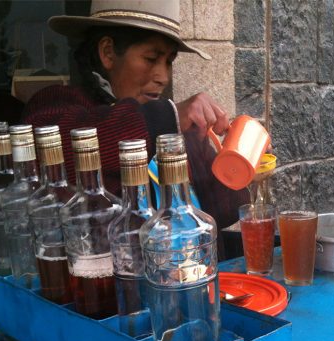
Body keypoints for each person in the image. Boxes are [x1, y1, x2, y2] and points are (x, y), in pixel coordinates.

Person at [21, 0, 249, 254]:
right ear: (107, 52)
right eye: (151, 58)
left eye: (169, 61)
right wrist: (168, 117)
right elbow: (74, 146)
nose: (163, 77)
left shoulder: (168, 126)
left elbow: (225, 211)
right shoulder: (56, 104)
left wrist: (240, 161)